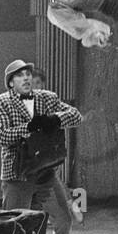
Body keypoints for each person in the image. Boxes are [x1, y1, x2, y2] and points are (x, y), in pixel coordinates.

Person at [0, 59, 83, 234]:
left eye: (28, 74)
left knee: (64, 219)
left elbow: (76, 116)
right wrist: (31, 127)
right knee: (13, 225)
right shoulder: (0, 103)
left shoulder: (47, 98)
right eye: (20, 75)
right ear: (11, 82)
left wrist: (55, 119)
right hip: (17, 174)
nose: (26, 78)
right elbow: (2, 136)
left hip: (45, 172)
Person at [29, 68, 84, 224]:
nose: (35, 86)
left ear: (44, 84)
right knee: (46, 181)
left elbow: (69, 115)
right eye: (32, 83)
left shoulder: (50, 101)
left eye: (38, 82)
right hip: (36, 150)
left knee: (49, 179)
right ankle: (63, 207)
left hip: (51, 149)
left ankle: (67, 206)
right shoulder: (26, 102)